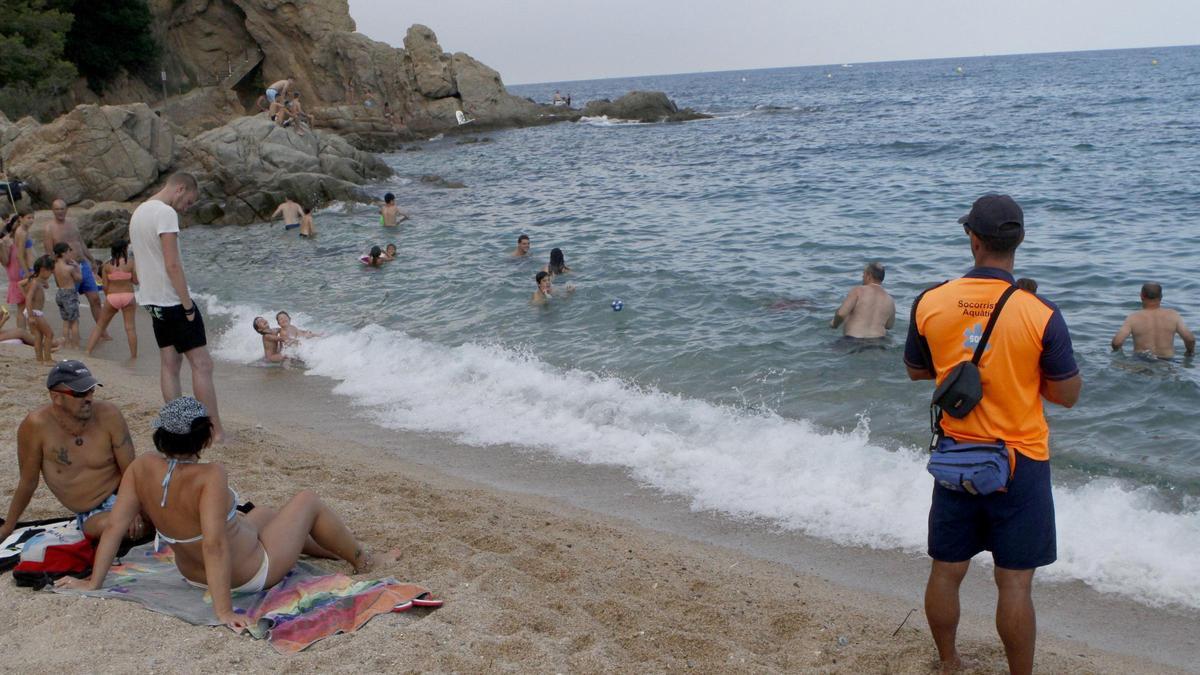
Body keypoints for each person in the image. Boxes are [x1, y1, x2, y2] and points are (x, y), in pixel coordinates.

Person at [904, 194, 1081, 675]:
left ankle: (948, 662)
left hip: (956, 457)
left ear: (973, 239)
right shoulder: (1039, 312)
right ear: (1018, 242)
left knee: (946, 569)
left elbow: (917, 372)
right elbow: (1067, 394)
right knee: (1015, 583)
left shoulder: (931, 301)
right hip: (1019, 460)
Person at [58, 397, 374, 631]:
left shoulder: (142, 467)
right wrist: (224, 611)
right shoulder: (210, 475)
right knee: (307, 500)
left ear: (161, 436)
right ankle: (363, 559)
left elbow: (115, 526)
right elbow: (214, 544)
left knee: (263, 514)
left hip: (192, 575)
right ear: (204, 439)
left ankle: (330, 551)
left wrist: (93, 583)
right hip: (247, 574)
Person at [0, 360, 145, 543]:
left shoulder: (109, 414)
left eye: (91, 390)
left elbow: (130, 470)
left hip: (127, 494)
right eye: (80, 393)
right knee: (120, 527)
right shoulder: (37, 426)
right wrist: (8, 526)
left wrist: (131, 507)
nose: (89, 398)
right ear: (56, 397)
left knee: (174, 512)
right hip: (93, 512)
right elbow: (28, 482)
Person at [128, 172, 225, 443]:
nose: (187, 207)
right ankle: (214, 431)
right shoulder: (165, 213)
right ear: (180, 189)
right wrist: (188, 305)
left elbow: (138, 262)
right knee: (202, 365)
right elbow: (172, 264)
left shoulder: (139, 212)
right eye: (189, 202)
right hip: (171, 300)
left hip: (150, 299)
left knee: (170, 364)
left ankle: (176, 424)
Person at [44, 199, 107, 340]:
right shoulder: (49, 228)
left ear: (67, 209)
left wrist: (91, 259)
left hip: (82, 264)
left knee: (95, 299)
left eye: (62, 208)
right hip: (67, 270)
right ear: (53, 211)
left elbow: (81, 243)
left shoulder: (72, 224)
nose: (60, 211)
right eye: (57, 209)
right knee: (71, 303)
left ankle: (102, 331)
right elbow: (50, 253)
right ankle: (72, 336)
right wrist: (55, 273)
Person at [85, 240, 139, 359]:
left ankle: (88, 352)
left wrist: (109, 296)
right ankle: (133, 356)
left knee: (100, 326)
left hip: (112, 297)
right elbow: (135, 281)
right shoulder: (130, 263)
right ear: (124, 249)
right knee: (130, 328)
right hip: (128, 296)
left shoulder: (106, 265)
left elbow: (105, 286)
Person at [1111, 283, 1195, 359]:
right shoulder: (1173, 315)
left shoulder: (1133, 317)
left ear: (1141, 296)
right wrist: (1189, 352)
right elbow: (1190, 339)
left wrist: (1119, 354)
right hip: (1166, 362)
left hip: (1141, 361)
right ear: (1161, 296)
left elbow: (1117, 342)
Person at [830, 261, 895, 339]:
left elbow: (841, 314)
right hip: (878, 341)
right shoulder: (889, 299)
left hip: (853, 339)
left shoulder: (858, 291)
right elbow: (889, 326)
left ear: (869, 276)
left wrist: (834, 324)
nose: (862, 278)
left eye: (863, 275)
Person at [20, 256, 55, 362]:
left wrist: (45, 283)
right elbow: (29, 298)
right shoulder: (35, 283)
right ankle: (48, 358)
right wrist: (30, 316)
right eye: (50, 271)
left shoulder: (35, 280)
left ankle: (39, 359)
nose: (52, 274)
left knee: (38, 335)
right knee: (49, 334)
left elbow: (19, 284)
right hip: (34, 313)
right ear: (43, 270)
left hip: (33, 312)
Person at [3, 213, 33, 328]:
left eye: (32, 217)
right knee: (23, 307)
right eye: (29, 218)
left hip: (17, 274)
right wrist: (28, 273)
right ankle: (22, 333)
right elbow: (19, 256)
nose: (31, 220)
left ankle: (23, 333)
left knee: (24, 306)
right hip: (20, 273)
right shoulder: (15, 237)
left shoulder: (13, 237)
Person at [52, 242, 82, 347]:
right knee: (74, 322)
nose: (70, 254)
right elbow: (79, 279)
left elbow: (56, 282)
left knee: (65, 321)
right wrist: (77, 267)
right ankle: (76, 345)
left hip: (60, 292)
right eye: (69, 251)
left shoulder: (54, 266)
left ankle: (66, 343)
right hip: (69, 294)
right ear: (64, 253)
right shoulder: (69, 268)